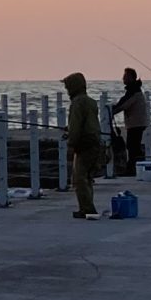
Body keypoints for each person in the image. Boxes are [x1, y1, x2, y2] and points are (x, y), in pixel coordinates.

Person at [66, 72, 104, 217]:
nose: (67, 89)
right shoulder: (90, 101)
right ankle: (88, 206)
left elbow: (75, 126)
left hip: (84, 144)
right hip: (94, 142)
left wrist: (71, 143)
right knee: (88, 177)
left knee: (79, 178)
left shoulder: (77, 103)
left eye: (68, 86)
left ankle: (87, 208)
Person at [114, 68, 149, 176]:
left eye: (125, 76)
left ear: (131, 77)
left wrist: (112, 111)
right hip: (137, 122)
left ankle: (133, 169)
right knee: (134, 146)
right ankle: (138, 168)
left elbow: (124, 104)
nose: (123, 79)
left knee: (132, 146)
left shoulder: (133, 91)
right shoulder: (134, 89)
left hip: (136, 123)